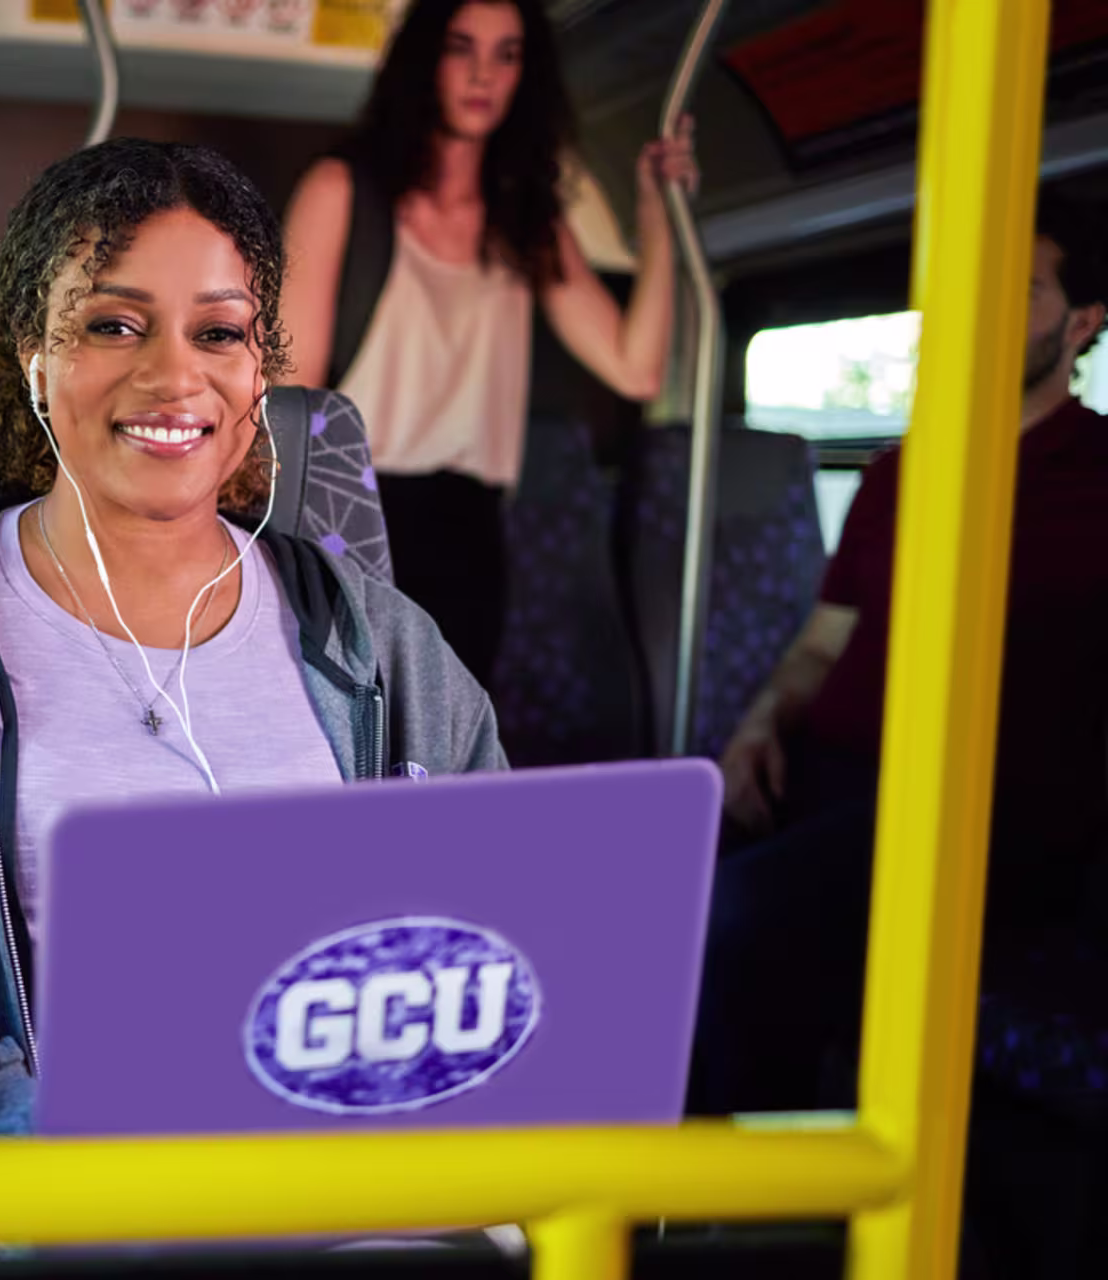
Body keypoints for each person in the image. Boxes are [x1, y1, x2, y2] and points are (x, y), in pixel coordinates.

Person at [0, 138, 507, 1138]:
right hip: (21, 1204)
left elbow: (489, 956)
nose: (175, 377)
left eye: (220, 333)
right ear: (33, 356)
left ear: (260, 374)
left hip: (346, 1195)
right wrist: (13, 1119)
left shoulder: (387, 647)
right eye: (114, 324)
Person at [694, 195, 1108, 1120]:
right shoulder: (899, 472)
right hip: (830, 779)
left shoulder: (1096, 474)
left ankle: (755, 1210)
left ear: (1083, 323)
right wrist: (759, 728)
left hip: (986, 813)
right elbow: (822, 643)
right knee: (632, 895)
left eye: (1026, 290)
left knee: (742, 919)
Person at [281, 0, 695, 679]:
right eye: (461, 48)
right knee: (351, 754)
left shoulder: (525, 219)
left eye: (507, 55)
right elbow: (289, 401)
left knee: (447, 763)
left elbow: (636, 370)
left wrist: (657, 213)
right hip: (351, 518)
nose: (483, 75)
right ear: (424, 63)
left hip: (473, 532)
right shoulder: (342, 191)